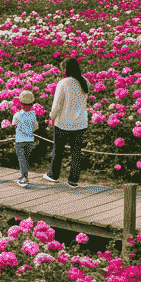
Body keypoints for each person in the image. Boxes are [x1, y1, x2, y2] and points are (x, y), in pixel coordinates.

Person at [41, 57, 89, 188]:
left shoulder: (63, 83)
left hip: (64, 122)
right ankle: (73, 181)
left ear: (66, 69)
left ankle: (54, 175)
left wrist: (51, 117)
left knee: (58, 149)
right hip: (80, 123)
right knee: (76, 152)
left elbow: (57, 105)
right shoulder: (85, 81)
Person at [12, 90, 38, 188]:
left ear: (21, 104)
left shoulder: (17, 115)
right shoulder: (33, 114)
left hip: (20, 141)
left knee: (21, 159)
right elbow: (36, 127)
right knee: (26, 159)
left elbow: (14, 125)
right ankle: (25, 176)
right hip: (30, 140)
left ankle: (23, 178)